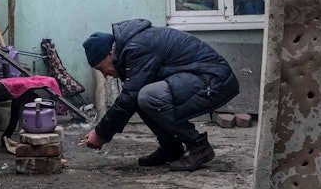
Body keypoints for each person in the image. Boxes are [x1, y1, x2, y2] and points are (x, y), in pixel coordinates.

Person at [80, 18, 240, 172]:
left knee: (147, 96)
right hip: (201, 78)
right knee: (141, 96)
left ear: (109, 53)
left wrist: (101, 133)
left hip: (212, 80)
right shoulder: (131, 47)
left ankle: (199, 146)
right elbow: (131, 97)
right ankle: (170, 148)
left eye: (101, 68)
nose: (105, 75)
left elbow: (129, 97)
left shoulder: (137, 48)